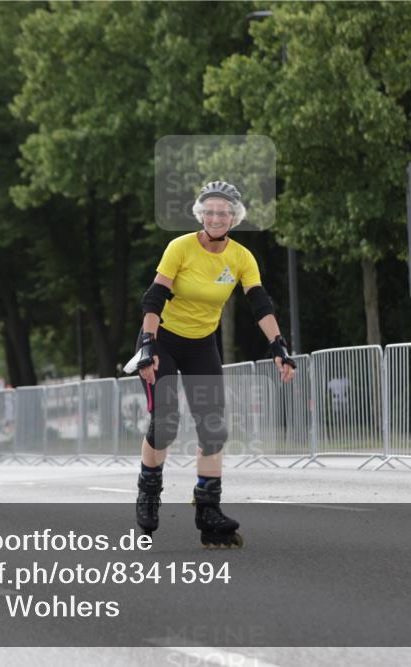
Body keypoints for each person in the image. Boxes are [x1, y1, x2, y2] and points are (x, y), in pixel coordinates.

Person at [128, 180, 296, 548]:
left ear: (234, 218)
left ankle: (208, 509)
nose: (216, 217)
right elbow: (154, 298)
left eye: (224, 212)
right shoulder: (181, 247)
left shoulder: (240, 257)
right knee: (166, 422)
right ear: (200, 214)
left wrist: (279, 345)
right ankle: (149, 491)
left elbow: (260, 303)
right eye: (210, 210)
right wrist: (147, 345)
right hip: (164, 341)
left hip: (202, 343)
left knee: (214, 427)